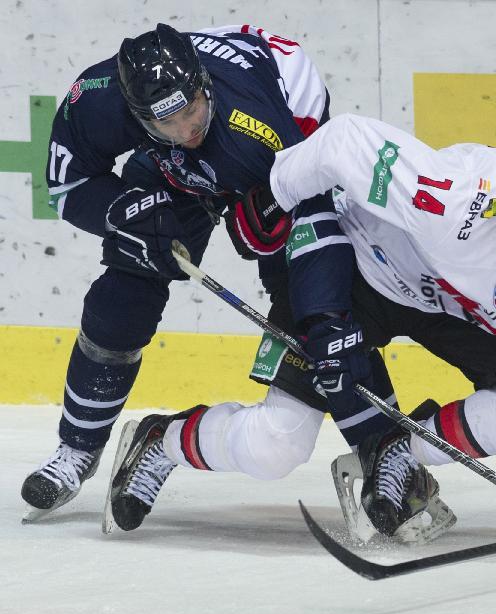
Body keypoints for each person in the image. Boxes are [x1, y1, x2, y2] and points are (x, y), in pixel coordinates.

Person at [108, 114, 496, 550]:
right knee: (277, 446)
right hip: (362, 277)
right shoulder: (450, 196)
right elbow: (342, 142)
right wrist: (269, 201)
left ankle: (400, 449)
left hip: (458, 308)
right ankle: (159, 441)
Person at [20, 22, 373, 521]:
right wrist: (125, 211)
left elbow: (315, 228)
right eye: (168, 124)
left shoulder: (263, 129)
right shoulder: (99, 99)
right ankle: (76, 450)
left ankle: (382, 453)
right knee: (123, 296)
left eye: (191, 111)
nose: (187, 130)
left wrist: (323, 315)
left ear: (204, 85)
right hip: (174, 172)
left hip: (272, 165)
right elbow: (66, 187)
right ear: (137, 116)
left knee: (321, 315)